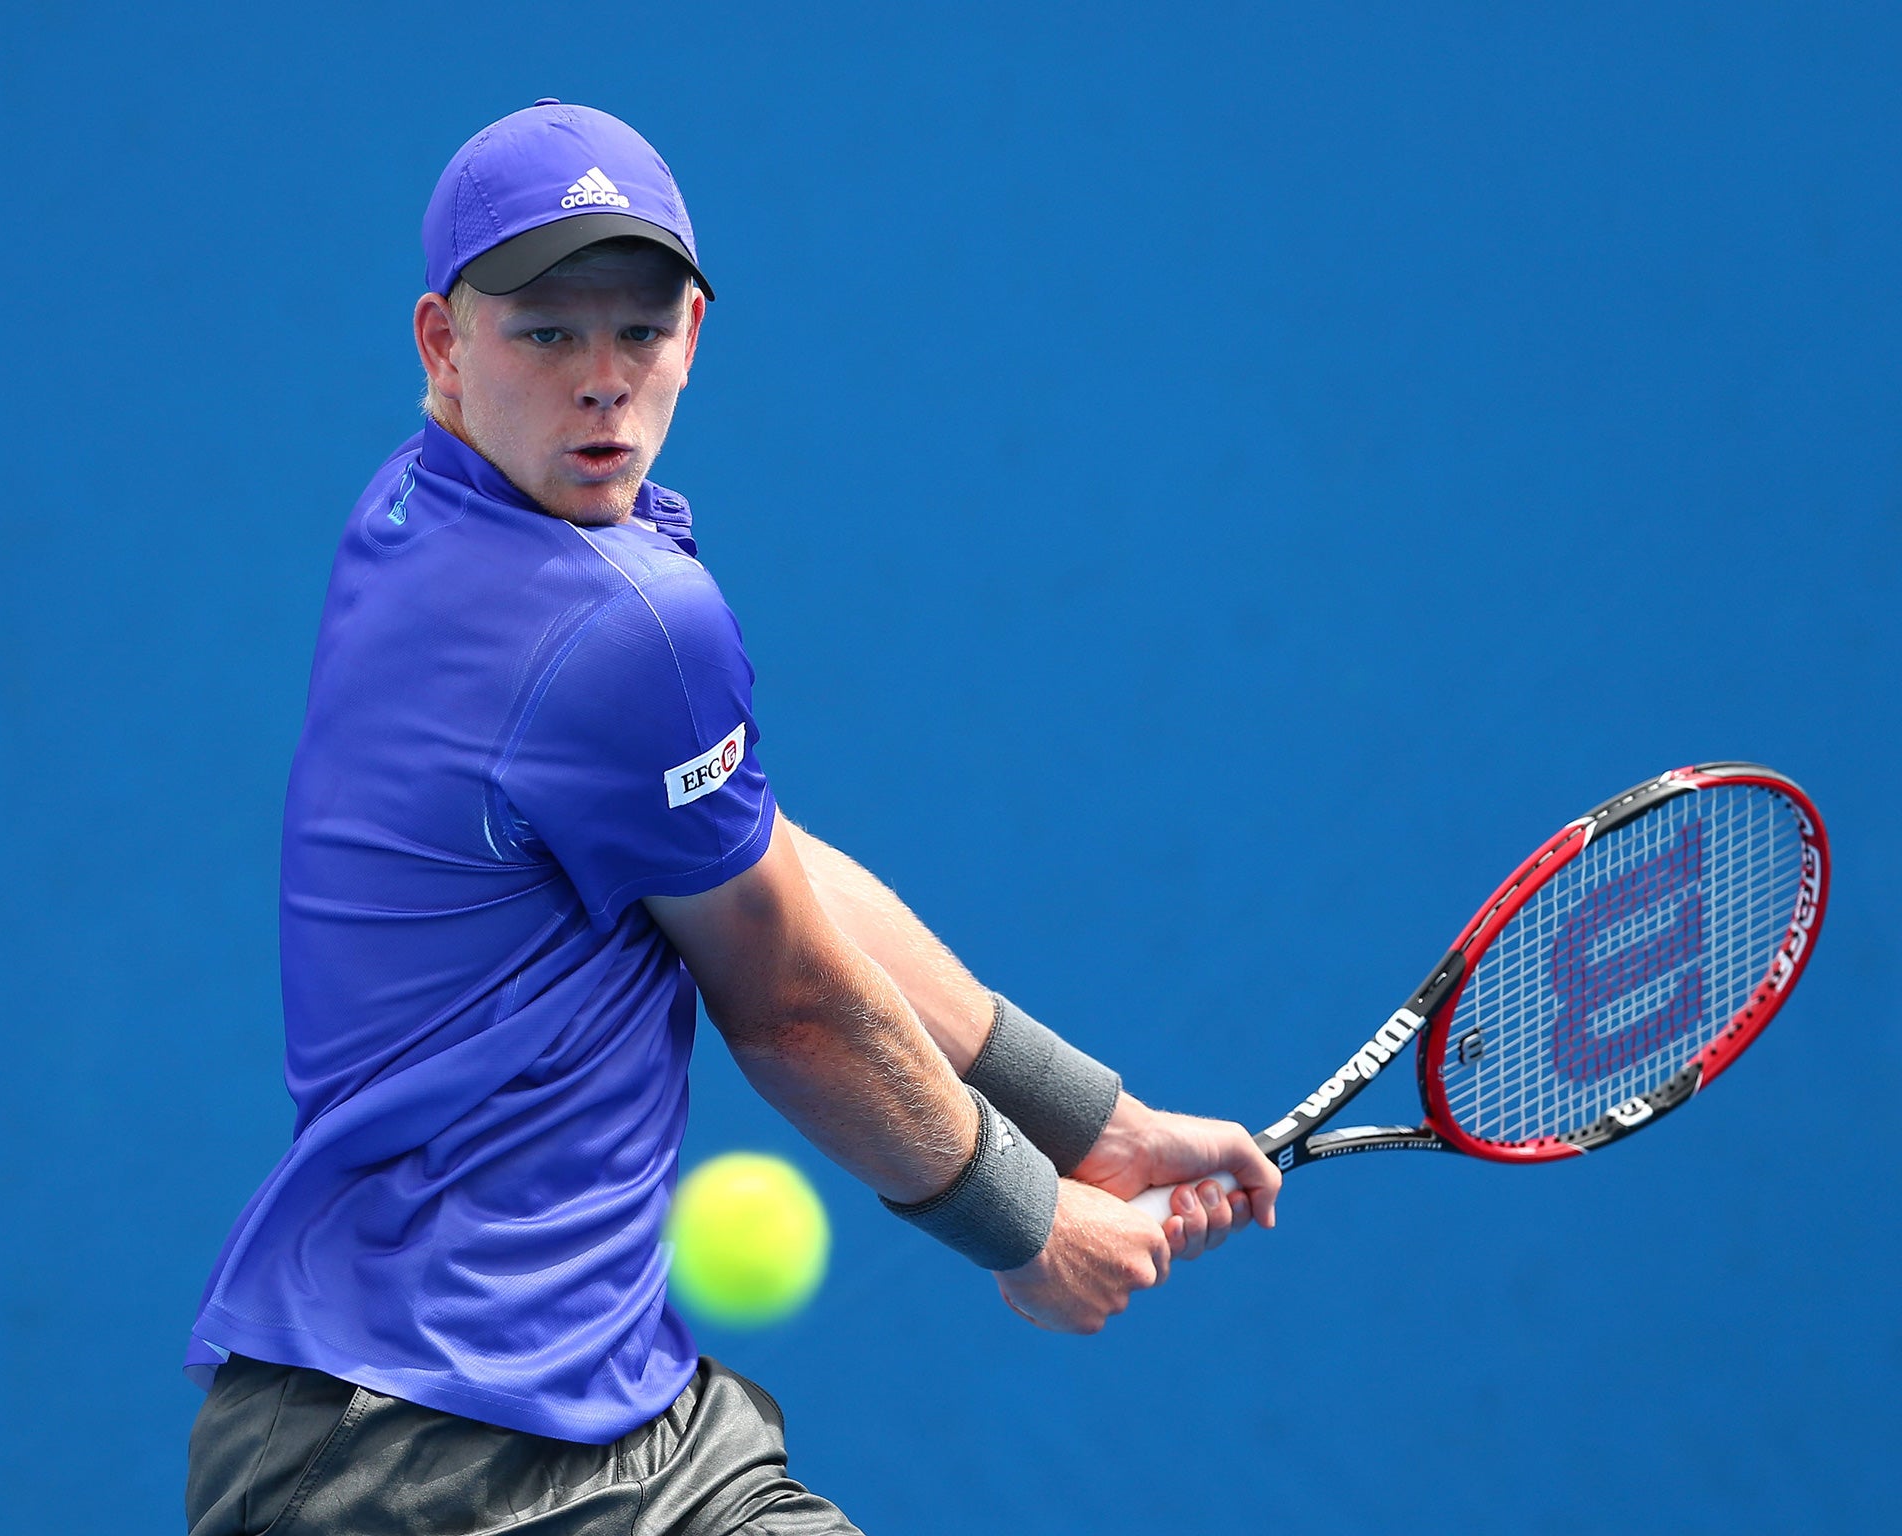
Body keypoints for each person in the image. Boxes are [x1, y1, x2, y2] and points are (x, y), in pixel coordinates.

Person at [183, 99, 1281, 1536]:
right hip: (425, 1463)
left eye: (637, 332)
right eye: (544, 333)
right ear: (443, 346)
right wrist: (1029, 1224)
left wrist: (1093, 1122)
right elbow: (794, 1002)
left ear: (694, 331)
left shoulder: (426, 515)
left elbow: (760, 865)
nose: (602, 384)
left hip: (598, 1415)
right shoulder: (614, 623)